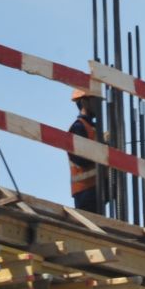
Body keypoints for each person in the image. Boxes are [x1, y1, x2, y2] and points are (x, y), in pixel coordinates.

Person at [66, 85, 104, 213]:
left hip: (98, 188)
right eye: (94, 100)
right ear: (84, 101)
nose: (98, 104)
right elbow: (81, 159)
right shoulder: (78, 127)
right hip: (85, 191)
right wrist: (102, 148)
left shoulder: (94, 128)